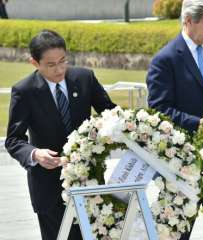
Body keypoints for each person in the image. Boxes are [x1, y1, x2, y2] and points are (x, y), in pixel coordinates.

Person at [5, 29, 116, 240]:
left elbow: (111, 113)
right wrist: (35, 154)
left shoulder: (84, 78)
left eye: (63, 61)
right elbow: (13, 140)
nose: (59, 69)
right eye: (51, 64)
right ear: (35, 63)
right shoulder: (24, 91)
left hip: (88, 181)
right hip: (48, 188)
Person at [147, 0, 203, 133]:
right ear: (188, 21)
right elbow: (159, 109)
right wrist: (199, 124)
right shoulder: (165, 60)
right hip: (184, 144)